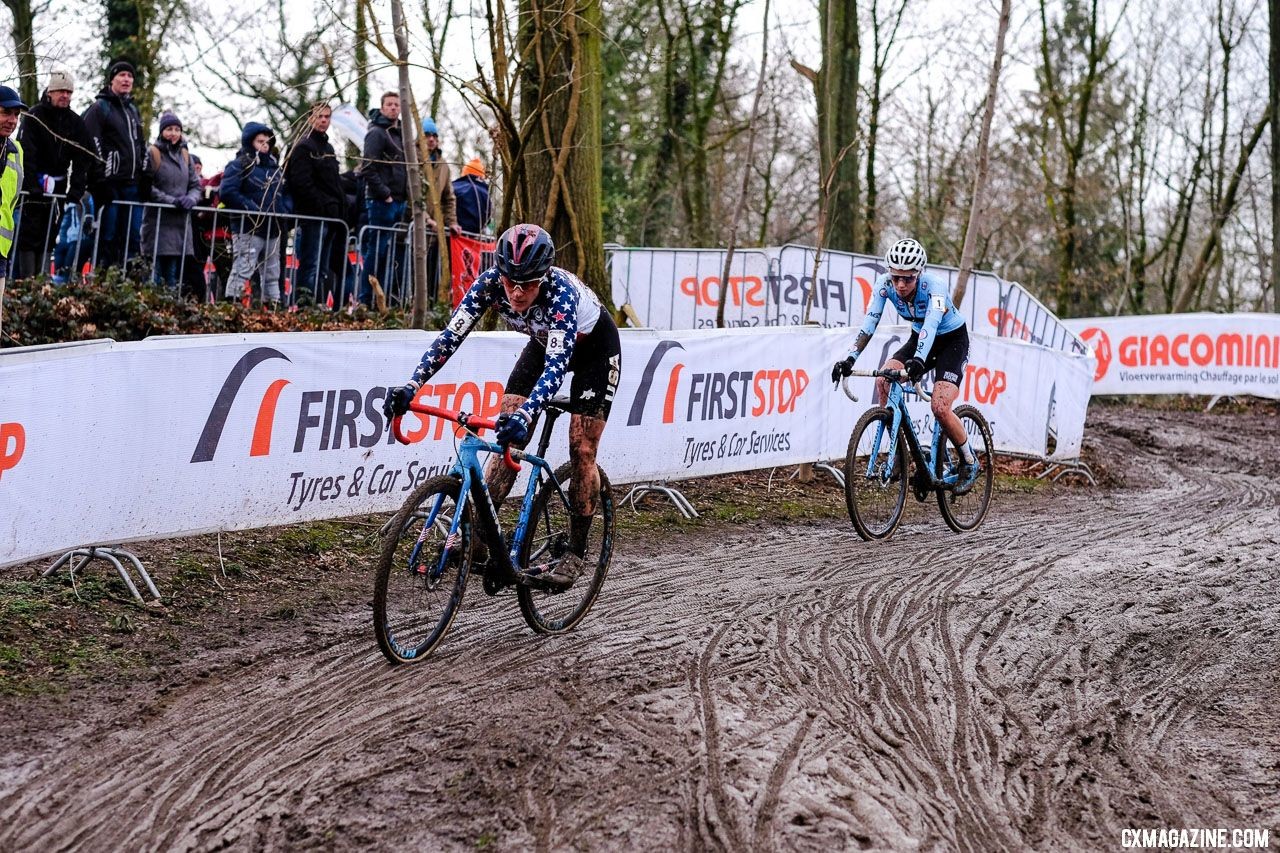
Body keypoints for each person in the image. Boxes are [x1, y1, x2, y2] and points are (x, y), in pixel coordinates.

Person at [382, 224, 622, 588]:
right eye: (510, 281)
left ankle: (576, 549)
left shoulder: (560, 296)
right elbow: (450, 338)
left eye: (527, 284)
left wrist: (528, 413)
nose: (517, 292)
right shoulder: (490, 284)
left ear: (544, 277)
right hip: (544, 344)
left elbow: (556, 367)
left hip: (594, 353)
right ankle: (479, 537)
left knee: (582, 449)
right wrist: (412, 385)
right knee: (506, 441)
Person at [830, 237, 979, 491]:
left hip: (951, 341)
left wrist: (919, 361)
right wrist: (850, 358)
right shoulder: (884, 285)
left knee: (940, 406)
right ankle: (899, 452)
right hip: (920, 337)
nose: (900, 284)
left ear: (919, 273)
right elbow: (869, 324)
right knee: (884, 379)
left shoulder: (936, 287)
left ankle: (969, 461)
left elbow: (931, 326)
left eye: (908, 278)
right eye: (896, 276)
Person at [14, 69, 94, 279]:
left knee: (50, 233)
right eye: (60, 91)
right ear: (50, 92)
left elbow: (83, 156)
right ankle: (26, 280)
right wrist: (31, 184)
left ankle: (42, 281)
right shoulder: (34, 116)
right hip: (33, 185)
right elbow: (26, 152)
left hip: (58, 186)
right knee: (29, 234)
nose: (65, 96)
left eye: (68, 92)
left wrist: (76, 188)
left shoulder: (76, 123)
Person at [81, 59, 148, 269]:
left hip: (132, 185)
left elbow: (141, 145)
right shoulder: (100, 107)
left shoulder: (133, 111)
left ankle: (125, 285)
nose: (126, 79)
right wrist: (100, 179)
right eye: (122, 75)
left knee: (132, 238)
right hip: (109, 185)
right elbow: (91, 142)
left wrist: (145, 175)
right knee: (107, 236)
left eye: (130, 76)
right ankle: (100, 280)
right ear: (112, 80)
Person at [220, 121, 292, 307]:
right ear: (250, 142)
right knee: (243, 267)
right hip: (248, 227)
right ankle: (231, 306)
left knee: (272, 273)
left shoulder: (275, 169)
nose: (265, 145)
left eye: (267, 142)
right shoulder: (238, 165)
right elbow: (227, 191)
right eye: (260, 141)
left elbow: (284, 193)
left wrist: (285, 210)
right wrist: (250, 207)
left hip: (272, 228)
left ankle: (273, 308)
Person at [285, 102, 347, 300]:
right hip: (313, 215)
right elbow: (300, 181)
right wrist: (320, 206)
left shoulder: (328, 147)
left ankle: (316, 306)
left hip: (331, 216)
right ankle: (304, 305)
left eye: (327, 117)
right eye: (319, 116)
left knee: (322, 267)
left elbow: (335, 182)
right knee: (310, 265)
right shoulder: (303, 146)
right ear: (310, 118)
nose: (323, 120)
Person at [140, 111, 201, 292]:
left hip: (179, 225)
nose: (173, 133)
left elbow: (195, 184)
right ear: (161, 132)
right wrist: (171, 201)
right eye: (169, 129)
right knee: (154, 273)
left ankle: (169, 313)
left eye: (176, 129)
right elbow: (146, 187)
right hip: (157, 223)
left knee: (173, 275)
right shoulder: (153, 153)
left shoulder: (185, 155)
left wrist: (191, 199)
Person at [360, 92, 407, 305]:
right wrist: (385, 194)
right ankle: (365, 299)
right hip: (382, 202)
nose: (393, 108)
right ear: (382, 108)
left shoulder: (400, 135)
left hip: (399, 201)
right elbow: (367, 167)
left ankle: (384, 299)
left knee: (391, 255)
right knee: (375, 252)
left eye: (397, 104)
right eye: (389, 104)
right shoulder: (377, 133)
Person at [420, 116, 460, 297]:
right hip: (415, 226)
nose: (431, 139)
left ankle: (433, 303)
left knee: (432, 268)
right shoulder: (412, 159)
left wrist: (452, 222)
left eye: (434, 136)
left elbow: (449, 198)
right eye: (427, 135)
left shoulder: (443, 165)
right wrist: (424, 218)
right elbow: (411, 194)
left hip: (436, 230)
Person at [0, 85, 26, 341]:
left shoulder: (16, 151)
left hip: (0, 250)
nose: (12, 120)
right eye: (6, 112)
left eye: (16, 114)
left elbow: (13, 198)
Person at [452, 157, 491, 235]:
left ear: (465, 173)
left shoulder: (454, 187)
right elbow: (488, 218)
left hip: (454, 234)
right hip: (475, 238)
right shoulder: (486, 193)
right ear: (481, 176)